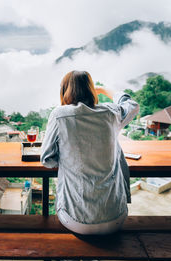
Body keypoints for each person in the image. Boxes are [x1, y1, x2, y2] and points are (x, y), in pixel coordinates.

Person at [41, 70, 139, 235]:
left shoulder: (60, 115)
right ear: (91, 90)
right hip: (117, 218)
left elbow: (47, 159)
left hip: (75, 221)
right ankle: (90, 259)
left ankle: (72, 259)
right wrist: (103, 89)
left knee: (61, 204)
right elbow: (132, 106)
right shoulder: (111, 113)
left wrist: (70, 158)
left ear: (65, 90)